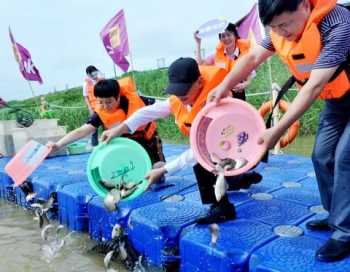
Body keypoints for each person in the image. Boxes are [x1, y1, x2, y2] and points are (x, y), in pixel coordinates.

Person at [208, 0, 350, 262]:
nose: (281, 32)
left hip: (332, 89)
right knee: (321, 155)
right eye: (275, 27)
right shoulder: (278, 30)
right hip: (339, 98)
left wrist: (277, 130)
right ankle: (336, 215)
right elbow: (251, 57)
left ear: (306, 6)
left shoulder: (337, 23)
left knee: (345, 159)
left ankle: (345, 232)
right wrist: (225, 85)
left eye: (285, 24)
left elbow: (314, 86)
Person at [101, 58, 262, 224]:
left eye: (184, 89)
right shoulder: (182, 98)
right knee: (211, 162)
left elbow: (200, 151)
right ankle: (237, 179)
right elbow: (149, 112)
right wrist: (120, 128)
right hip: (222, 149)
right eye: (176, 90)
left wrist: (164, 170)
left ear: (200, 82)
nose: (179, 95)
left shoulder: (216, 101)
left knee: (201, 163)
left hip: (241, 145)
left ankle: (222, 208)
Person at [48, 78, 165, 165]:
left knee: (158, 171)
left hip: (148, 140)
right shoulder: (100, 113)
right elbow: (82, 131)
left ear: (118, 96)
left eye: (109, 102)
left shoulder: (138, 101)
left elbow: (165, 106)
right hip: (125, 146)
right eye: (100, 102)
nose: (105, 106)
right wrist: (58, 144)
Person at [194, 22, 255, 100]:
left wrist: (245, 84)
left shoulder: (244, 53)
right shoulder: (216, 56)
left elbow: (251, 72)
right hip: (221, 94)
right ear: (220, 39)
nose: (226, 38)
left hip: (238, 94)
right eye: (223, 36)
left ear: (235, 36)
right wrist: (198, 43)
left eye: (229, 35)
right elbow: (200, 64)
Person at [83, 65, 104, 146]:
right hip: (94, 108)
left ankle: (107, 143)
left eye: (95, 74)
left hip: (103, 107)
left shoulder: (101, 80)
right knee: (94, 128)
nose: (94, 76)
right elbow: (86, 97)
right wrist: (90, 109)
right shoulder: (86, 84)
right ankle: (94, 145)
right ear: (88, 75)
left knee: (105, 125)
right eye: (92, 75)